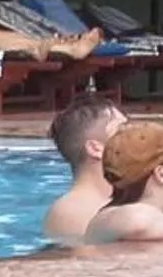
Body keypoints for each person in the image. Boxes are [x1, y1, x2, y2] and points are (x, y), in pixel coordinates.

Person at [43, 98, 128, 241]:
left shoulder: (125, 199)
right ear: (96, 148)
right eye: (122, 131)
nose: (137, 137)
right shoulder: (73, 212)